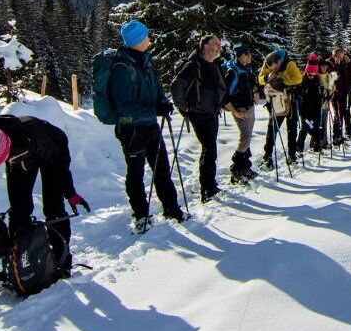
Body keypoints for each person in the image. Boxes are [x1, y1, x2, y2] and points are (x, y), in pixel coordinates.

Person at [0, 115, 87, 277]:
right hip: (19, 161)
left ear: (7, 146)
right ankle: (19, 263)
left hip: (52, 148)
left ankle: (62, 260)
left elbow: (60, 169)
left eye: (4, 159)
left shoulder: (34, 138)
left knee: (53, 205)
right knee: (18, 209)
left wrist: (70, 193)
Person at [107, 20, 183, 231]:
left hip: (149, 125)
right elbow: (123, 106)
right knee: (136, 173)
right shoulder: (122, 67)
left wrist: (163, 102)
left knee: (162, 168)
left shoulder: (145, 61)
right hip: (131, 129)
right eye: (146, 36)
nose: (149, 39)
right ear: (138, 40)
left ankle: (171, 208)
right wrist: (154, 110)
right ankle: (141, 215)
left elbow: (156, 88)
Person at [170, 35, 227, 203]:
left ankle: (210, 185)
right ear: (204, 46)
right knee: (209, 150)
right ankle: (207, 189)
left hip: (212, 113)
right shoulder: (193, 65)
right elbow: (176, 85)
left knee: (210, 150)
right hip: (200, 114)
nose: (219, 47)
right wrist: (185, 107)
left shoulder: (214, 65)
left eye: (220, 45)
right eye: (215, 44)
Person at [221, 45, 259, 185]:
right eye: (247, 54)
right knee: (245, 137)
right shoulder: (233, 72)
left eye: (250, 53)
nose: (250, 56)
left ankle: (245, 167)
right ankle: (236, 168)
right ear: (239, 55)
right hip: (240, 109)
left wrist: (256, 92)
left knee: (247, 137)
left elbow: (252, 83)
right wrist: (235, 111)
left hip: (249, 106)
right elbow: (225, 95)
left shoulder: (246, 68)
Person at [258, 48, 302, 168]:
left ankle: (292, 155)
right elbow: (260, 78)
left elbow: (298, 78)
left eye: (275, 67)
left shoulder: (289, 63)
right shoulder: (267, 63)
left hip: (290, 99)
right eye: (270, 68)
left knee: (291, 129)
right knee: (272, 129)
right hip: (276, 100)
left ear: (279, 61)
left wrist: (284, 82)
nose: (273, 69)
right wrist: (267, 78)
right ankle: (267, 156)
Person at [296, 54, 326, 154]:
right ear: (306, 72)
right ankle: (299, 149)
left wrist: (325, 94)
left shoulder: (318, 80)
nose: (312, 76)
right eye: (310, 74)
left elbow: (324, 91)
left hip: (316, 108)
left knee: (316, 127)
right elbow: (299, 95)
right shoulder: (301, 80)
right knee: (305, 128)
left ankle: (317, 147)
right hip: (304, 109)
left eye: (314, 74)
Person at [330, 48, 351, 144]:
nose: (341, 57)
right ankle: (337, 137)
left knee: (345, 114)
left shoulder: (344, 64)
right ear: (335, 55)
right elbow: (332, 79)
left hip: (345, 93)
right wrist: (336, 65)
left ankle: (344, 134)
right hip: (336, 94)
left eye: (342, 56)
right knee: (338, 116)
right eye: (339, 56)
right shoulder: (331, 64)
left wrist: (350, 63)